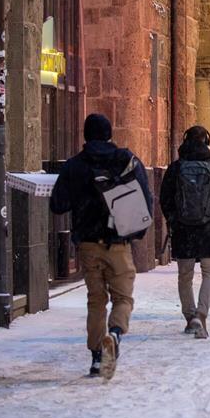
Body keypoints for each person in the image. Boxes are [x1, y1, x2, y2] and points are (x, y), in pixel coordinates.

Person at [49, 113, 152, 378]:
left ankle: (96, 357)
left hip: (88, 244)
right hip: (118, 241)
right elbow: (145, 197)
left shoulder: (75, 165)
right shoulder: (126, 160)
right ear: (109, 134)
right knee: (123, 298)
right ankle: (115, 334)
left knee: (96, 300)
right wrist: (136, 230)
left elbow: (57, 204)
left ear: (85, 135)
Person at [160, 126, 210, 339]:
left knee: (185, 275)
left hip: (184, 228)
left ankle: (189, 315)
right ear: (207, 141)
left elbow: (165, 199)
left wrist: (174, 219)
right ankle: (202, 314)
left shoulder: (176, 169)